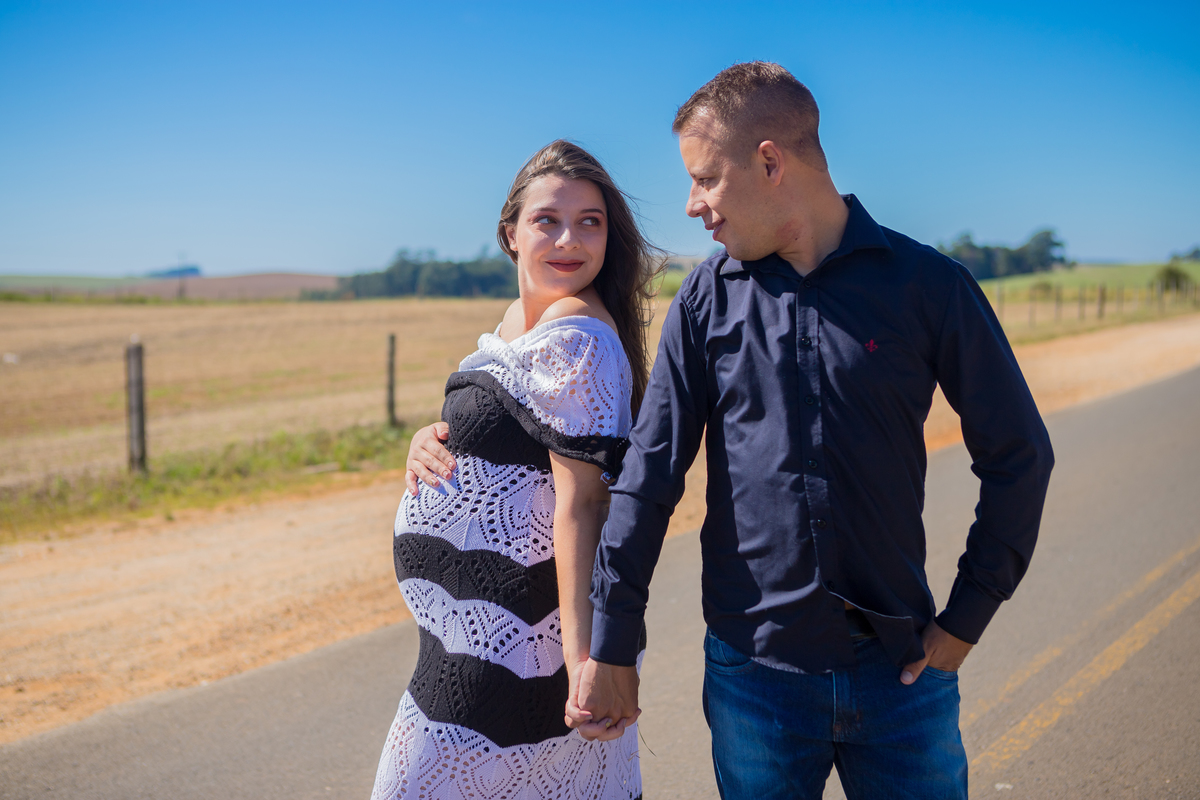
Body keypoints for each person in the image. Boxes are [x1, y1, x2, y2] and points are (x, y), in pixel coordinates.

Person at [573, 63, 1055, 799]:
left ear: (770, 162)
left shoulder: (928, 286)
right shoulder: (706, 298)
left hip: (902, 675)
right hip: (752, 679)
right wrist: (612, 643)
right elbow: (650, 474)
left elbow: (1019, 455)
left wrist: (967, 618)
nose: (693, 205)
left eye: (706, 179)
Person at [370, 140, 660, 800]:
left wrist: (587, 662)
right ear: (510, 233)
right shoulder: (517, 325)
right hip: (469, 634)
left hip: (524, 641)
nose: (570, 239)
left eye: (590, 222)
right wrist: (428, 439)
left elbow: (583, 504)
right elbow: (505, 432)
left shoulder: (577, 331)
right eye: (547, 220)